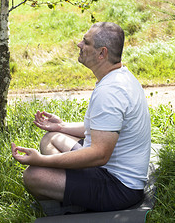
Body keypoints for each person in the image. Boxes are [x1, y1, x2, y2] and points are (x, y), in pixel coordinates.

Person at [12, 22, 151, 215]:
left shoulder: (111, 92)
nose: (79, 44)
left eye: (86, 42)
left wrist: (42, 160)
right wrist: (61, 126)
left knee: (34, 175)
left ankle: (65, 209)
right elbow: (101, 128)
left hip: (120, 188)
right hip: (106, 170)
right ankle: (74, 195)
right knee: (51, 138)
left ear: (101, 53)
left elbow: (99, 154)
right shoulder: (119, 77)